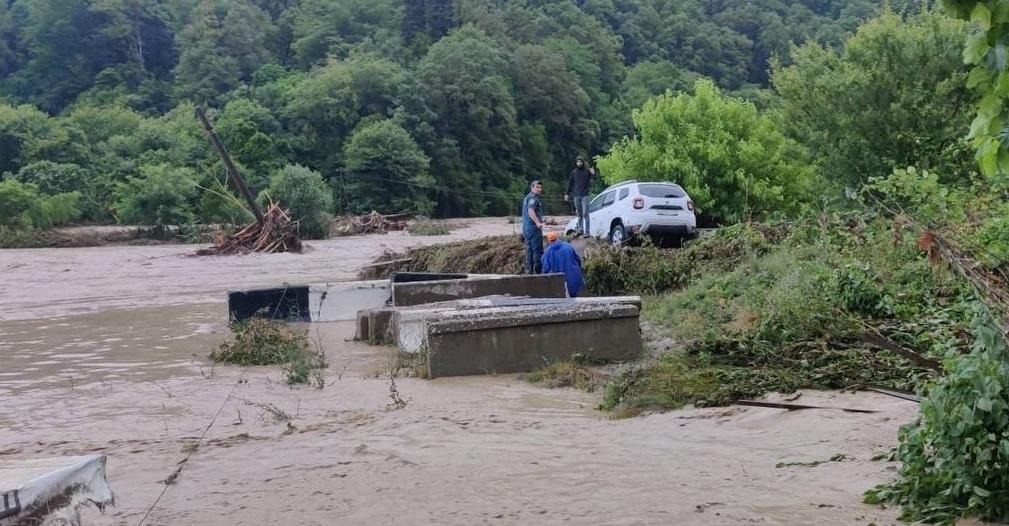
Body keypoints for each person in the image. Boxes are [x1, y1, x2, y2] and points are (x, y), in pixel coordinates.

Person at [541, 231, 585, 297]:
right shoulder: (568, 246)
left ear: (549, 241)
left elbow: (545, 269)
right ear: (557, 238)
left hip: (559, 285)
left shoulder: (548, 251)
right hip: (574, 283)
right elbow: (578, 260)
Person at [564, 157, 594, 236]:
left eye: (580, 162)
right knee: (579, 214)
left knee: (585, 213)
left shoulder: (587, 171)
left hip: (585, 195)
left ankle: (587, 232)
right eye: (578, 162)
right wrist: (566, 193)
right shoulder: (573, 172)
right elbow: (570, 183)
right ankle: (580, 229)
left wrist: (593, 173)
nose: (579, 163)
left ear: (583, 163)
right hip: (576, 195)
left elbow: (592, 176)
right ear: (576, 163)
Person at [521, 180, 546, 274]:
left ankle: (529, 272)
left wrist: (542, 220)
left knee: (529, 250)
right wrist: (537, 223)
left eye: (540, 187)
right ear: (532, 188)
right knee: (538, 251)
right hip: (533, 228)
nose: (539, 189)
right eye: (537, 187)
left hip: (526, 228)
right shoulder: (533, 198)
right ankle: (538, 273)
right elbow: (530, 211)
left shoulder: (527, 197)